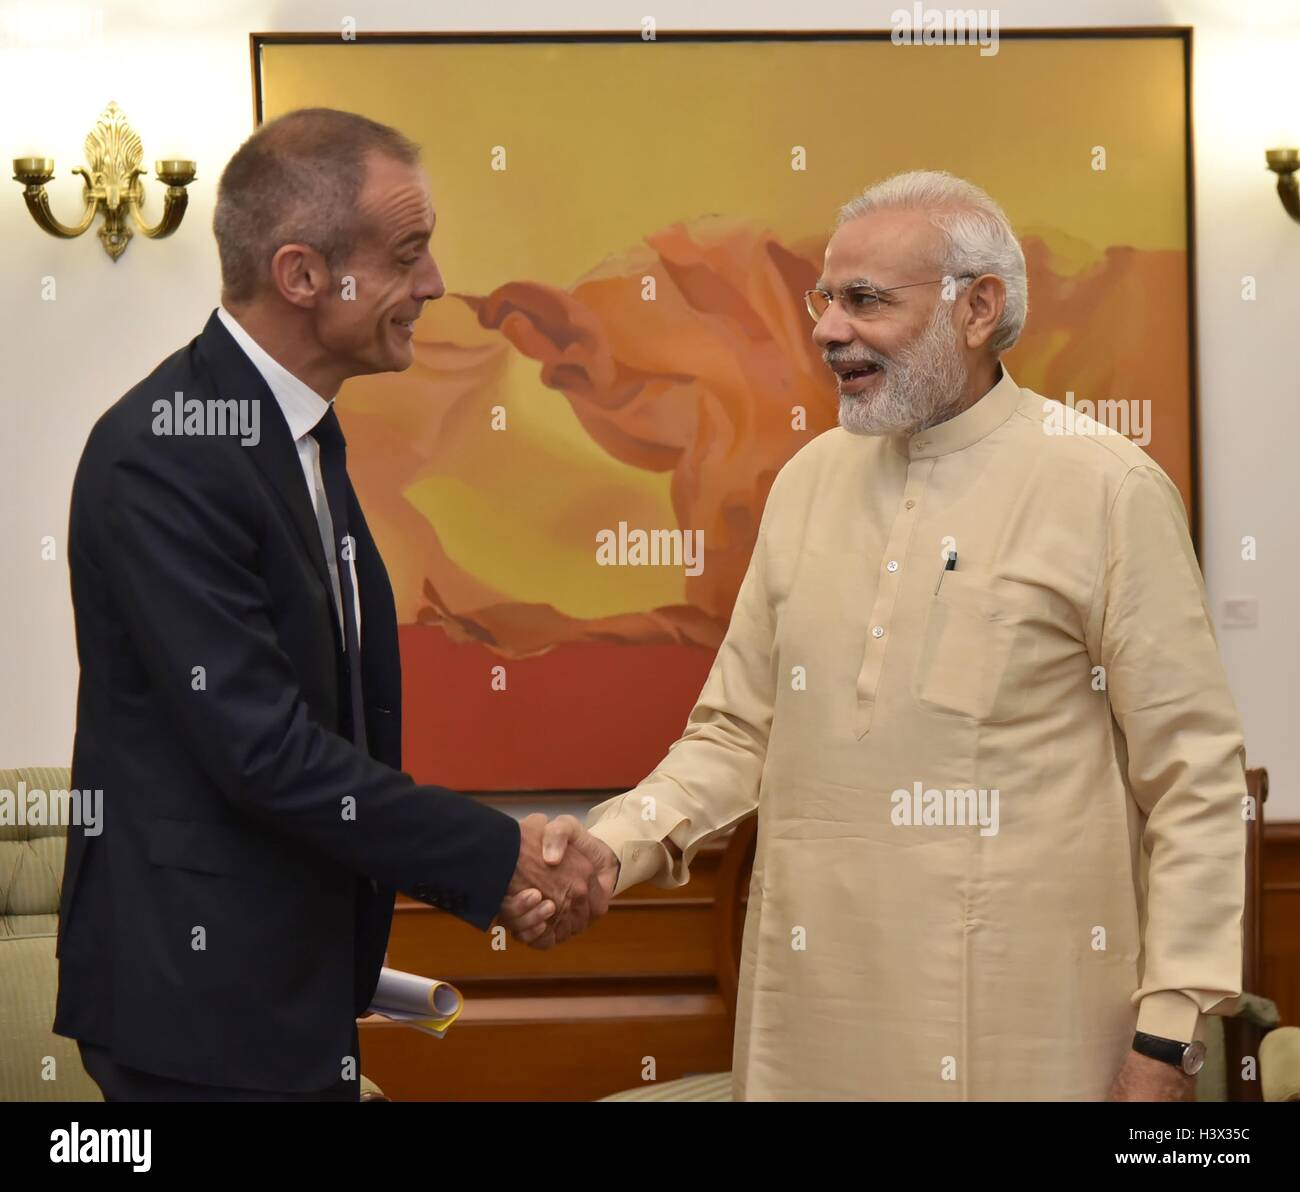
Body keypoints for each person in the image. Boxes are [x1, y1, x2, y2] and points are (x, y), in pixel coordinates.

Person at [514, 170, 1248, 1101]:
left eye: (865, 300)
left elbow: (1195, 773)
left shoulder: (1106, 489)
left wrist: (1170, 1032)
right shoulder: (807, 483)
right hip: (812, 1022)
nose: (826, 330)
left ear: (978, 308)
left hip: (1032, 1034)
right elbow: (738, 734)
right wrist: (612, 847)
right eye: (825, 299)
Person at [55, 108, 607, 1101]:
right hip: (196, 1008)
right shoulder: (165, 450)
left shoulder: (299, 434)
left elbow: (330, 731)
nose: (434, 284)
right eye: (408, 255)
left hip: (283, 995)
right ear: (303, 275)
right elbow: (263, 751)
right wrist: (503, 855)